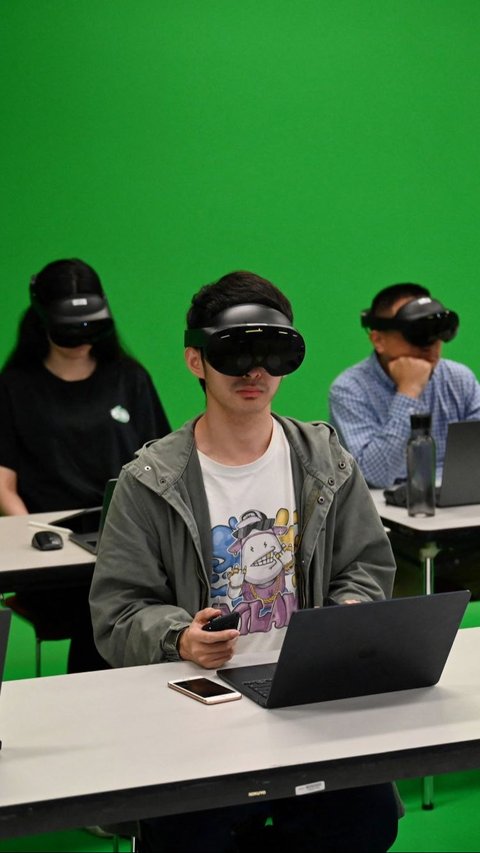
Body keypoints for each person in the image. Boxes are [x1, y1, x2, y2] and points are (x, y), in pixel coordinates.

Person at [90, 270, 399, 853]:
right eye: (234, 354)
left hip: (309, 700)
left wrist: (347, 612)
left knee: (367, 820)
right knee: (193, 837)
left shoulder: (326, 461)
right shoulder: (150, 481)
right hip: (194, 708)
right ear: (195, 360)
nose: (253, 372)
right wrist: (180, 638)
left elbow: (366, 565)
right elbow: (117, 611)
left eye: (272, 353)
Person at [0, 258, 171, 672]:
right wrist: (34, 537)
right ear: (41, 318)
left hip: (124, 537)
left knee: (150, 593)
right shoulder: (15, 386)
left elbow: (164, 462)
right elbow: (4, 485)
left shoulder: (130, 378)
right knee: (101, 605)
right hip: (51, 552)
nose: (80, 337)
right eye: (67, 326)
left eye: (90, 324)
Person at [329, 282, 480, 596]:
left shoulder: (459, 379)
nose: (430, 345)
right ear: (378, 339)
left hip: (461, 520)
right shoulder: (349, 389)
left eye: (436, 332)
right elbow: (377, 474)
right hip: (390, 537)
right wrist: (408, 392)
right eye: (416, 333)